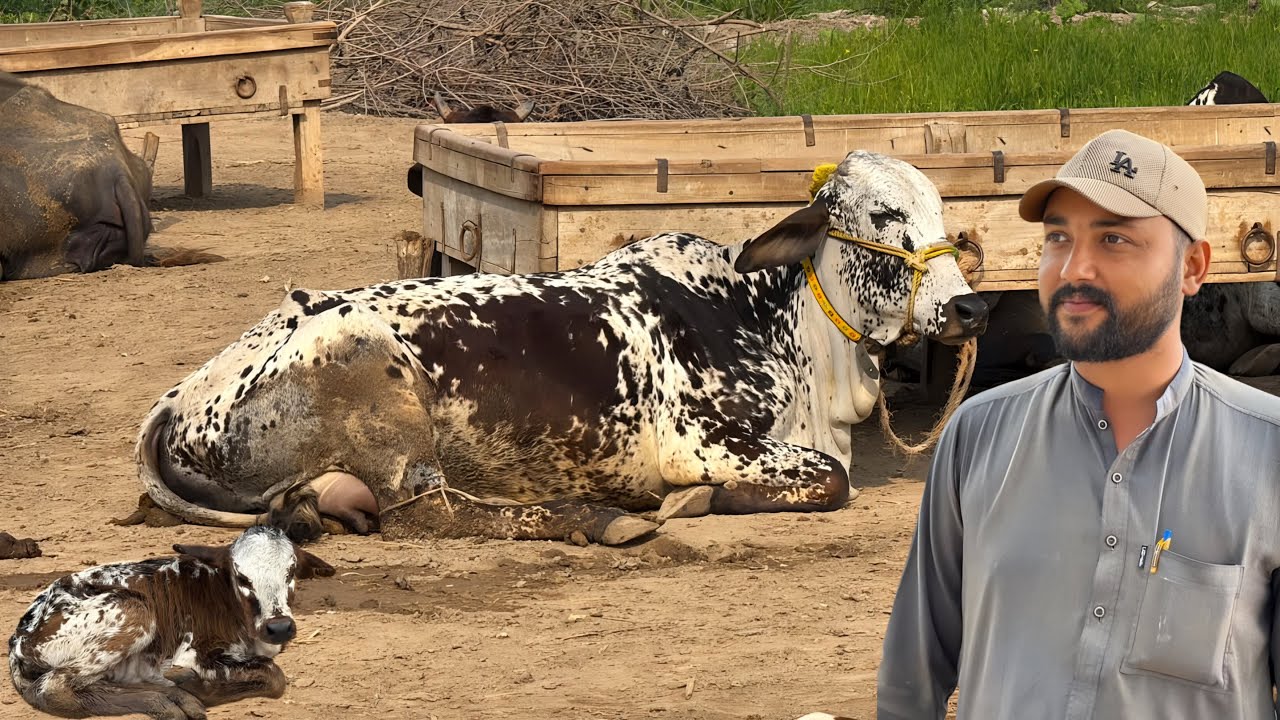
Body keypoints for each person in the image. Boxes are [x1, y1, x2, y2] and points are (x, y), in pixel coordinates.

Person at [875, 129, 1280, 719]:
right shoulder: (978, 436)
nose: (1074, 267)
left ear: (1193, 266)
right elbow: (911, 684)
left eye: (1114, 238)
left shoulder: (1269, 453)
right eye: (1059, 237)